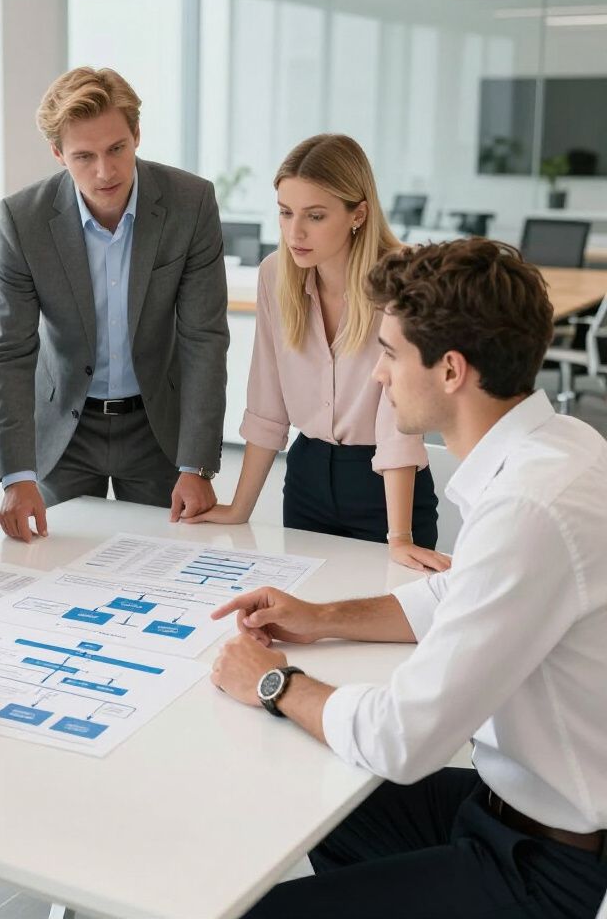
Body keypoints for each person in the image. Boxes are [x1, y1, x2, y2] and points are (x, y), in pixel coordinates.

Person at [210, 239, 607, 918]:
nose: (377, 377)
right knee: (318, 797)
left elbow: (403, 737)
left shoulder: (529, 509)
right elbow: (459, 594)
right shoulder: (561, 445)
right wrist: (320, 617)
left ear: (451, 370)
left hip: (548, 870)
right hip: (505, 810)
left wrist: (273, 682)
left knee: (255, 910)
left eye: (390, 354)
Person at [0, 66, 230, 541]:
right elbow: (9, 351)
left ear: (137, 134)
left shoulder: (190, 203)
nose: (105, 171)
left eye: (117, 148)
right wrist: (17, 475)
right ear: (58, 154)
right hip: (64, 432)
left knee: (172, 565)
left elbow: (205, 338)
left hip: (157, 426)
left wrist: (197, 463)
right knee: (56, 575)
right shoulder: (23, 219)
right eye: (84, 156)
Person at [189, 134, 446, 571]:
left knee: (385, 626)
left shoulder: (405, 279)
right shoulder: (275, 275)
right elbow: (267, 402)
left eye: (315, 216)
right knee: (307, 621)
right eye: (286, 213)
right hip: (306, 477)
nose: (295, 233)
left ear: (358, 214)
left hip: (386, 489)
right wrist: (240, 508)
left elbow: (397, 424)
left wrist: (399, 537)